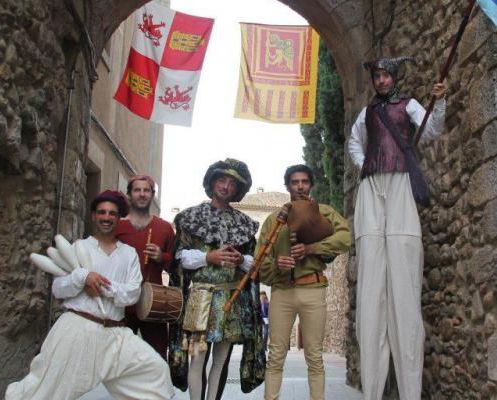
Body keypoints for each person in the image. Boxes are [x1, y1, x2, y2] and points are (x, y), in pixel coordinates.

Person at [6, 190, 173, 400]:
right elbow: (59, 289)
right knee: (47, 392)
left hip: (116, 334)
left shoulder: (129, 253)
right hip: (78, 329)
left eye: (112, 213)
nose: (106, 217)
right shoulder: (79, 247)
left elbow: (132, 294)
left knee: (155, 370)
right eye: (101, 212)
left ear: (118, 218)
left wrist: (103, 285)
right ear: (94, 216)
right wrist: (82, 277)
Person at [347, 57, 447, 400]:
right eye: (377, 75)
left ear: (395, 77)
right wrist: (364, 165)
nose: (381, 80)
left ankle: (409, 392)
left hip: (402, 183)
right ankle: (372, 391)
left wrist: (441, 100)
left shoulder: (410, 105)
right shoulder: (367, 113)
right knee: (372, 278)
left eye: (385, 74)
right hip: (372, 187)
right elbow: (354, 143)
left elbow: (431, 129)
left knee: (404, 271)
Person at [170, 158, 264, 400]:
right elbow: (180, 257)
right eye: (222, 180)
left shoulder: (244, 224)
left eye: (232, 183)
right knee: (198, 359)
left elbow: (255, 263)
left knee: (221, 360)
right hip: (201, 298)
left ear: (237, 190)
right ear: (212, 183)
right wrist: (208, 257)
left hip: (232, 299)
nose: (226, 186)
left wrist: (240, 260)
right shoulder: (191, 217)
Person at [259, 164, 351, 400]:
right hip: (282, 292)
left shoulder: (325, 212)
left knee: (314, 356)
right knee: (276, 355)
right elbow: (260, 263)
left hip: (313, 290)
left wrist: (313, 248)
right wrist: (277, 264)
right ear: (287, 186)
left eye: (304, 182)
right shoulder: (272, 220)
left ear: (310, 185)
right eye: (294, 182)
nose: (300, 186)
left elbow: (345, 238)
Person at [115, 174, 175, 360]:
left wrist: (161, 257)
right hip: (121, 304)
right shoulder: (117, 226)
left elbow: (175, 264)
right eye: (137, 190)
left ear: (152, 195)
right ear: (129, 194)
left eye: (146, 190)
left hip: (153, 303)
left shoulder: (164, 227)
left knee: (157, 359)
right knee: (120, 360)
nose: (142, 194)